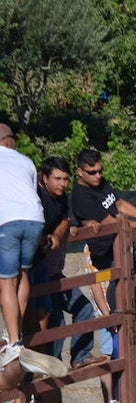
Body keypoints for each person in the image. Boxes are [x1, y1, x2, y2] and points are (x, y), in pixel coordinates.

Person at [70, 148, 136, 368]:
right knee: (124, 304)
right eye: (92, 172)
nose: (98, 176)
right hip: (108, 256)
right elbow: (110, 221)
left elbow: (118, 204)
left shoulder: (101, 184)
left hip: (126, 247)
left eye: (100, 170)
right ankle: (129, 350)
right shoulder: (80, 197)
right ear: (79, 172)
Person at [27, 156, 100, 370]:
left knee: (85, 309)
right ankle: (51, 368)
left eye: (66, 179)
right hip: (36, 274)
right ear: (44, 177)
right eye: (58, 179)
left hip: (54, 275)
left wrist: (62, 232)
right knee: (55, 323)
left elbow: (64, 220)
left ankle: (80, 357)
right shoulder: (34, 197)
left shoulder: (60, 198)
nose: (63, 184)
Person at [0, 123, 46, 360]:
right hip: (35, 219)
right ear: (11, 140)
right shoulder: (26, 161)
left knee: (7, 282)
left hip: (7, 221)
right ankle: (15, 333)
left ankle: (14, 340)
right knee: (23, 275)